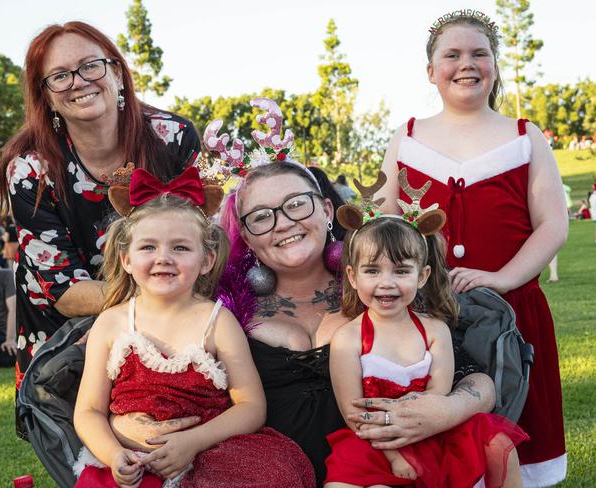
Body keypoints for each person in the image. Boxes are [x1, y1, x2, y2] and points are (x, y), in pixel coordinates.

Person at [110, 99, 497, 486]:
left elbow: (473, 376)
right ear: (244, 234)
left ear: (327, 210)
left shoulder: (383, 285)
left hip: (388, 469)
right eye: (261, 216)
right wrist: (121, 420)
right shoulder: (220, 307)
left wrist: (447, 409)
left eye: (297, 204)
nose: (283, 223)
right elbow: (153, 381)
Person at [377, 11, 567, 485]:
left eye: (479, 53)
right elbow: (383, 224)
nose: (467, 64)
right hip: (426, 315)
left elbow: (553, 224)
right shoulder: (409, 137)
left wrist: (503, 277)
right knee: (439, 444)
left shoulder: (525, 137)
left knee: (515, 442)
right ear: (431, 71)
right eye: (453, 55)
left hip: (512, 311)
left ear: (495, 65)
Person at [0, 21, 200, 437]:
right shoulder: (32, 170)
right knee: (96, 455)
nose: (78, 82)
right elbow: (68, 292)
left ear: (117, 72)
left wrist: (166, 308)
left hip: (168, 316)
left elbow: (199, 243)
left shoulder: (172, 137)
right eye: (60, 76)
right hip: (68, 335)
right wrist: (159, 301)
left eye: (91, 66)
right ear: (46, 96)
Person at [73, 168, 314, 487]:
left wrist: (194, 441)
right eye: (148, 247)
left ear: (207, 260)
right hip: (131, 455)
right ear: (126, 258)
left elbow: (252, 406)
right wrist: (114, 455)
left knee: (274, 477)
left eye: (180, 248)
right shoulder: (112, 323)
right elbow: (88, 410)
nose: (163, 258)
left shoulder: (216, 321)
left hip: (210, 450)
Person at [324, 213, 527, 487]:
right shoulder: (348, 339)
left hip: (432, 430)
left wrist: (419, 433)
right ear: (353, 276)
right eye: (372, 270)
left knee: (499, 443)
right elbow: (355, 415)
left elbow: (438, 396)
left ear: (422, 276)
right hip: (376, 442)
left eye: (401, 271)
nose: (387, 282)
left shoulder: (434, 331)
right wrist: (396, 456)